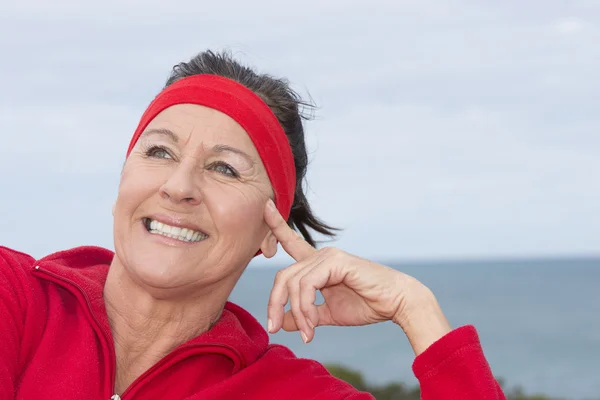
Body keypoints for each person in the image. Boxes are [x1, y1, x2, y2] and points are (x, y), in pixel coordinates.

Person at [0, 50, 506, 400]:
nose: (179, 186)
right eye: (159, 151)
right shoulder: (14, 299)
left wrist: (416, 311)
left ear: (271, 230)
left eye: (224, 168)